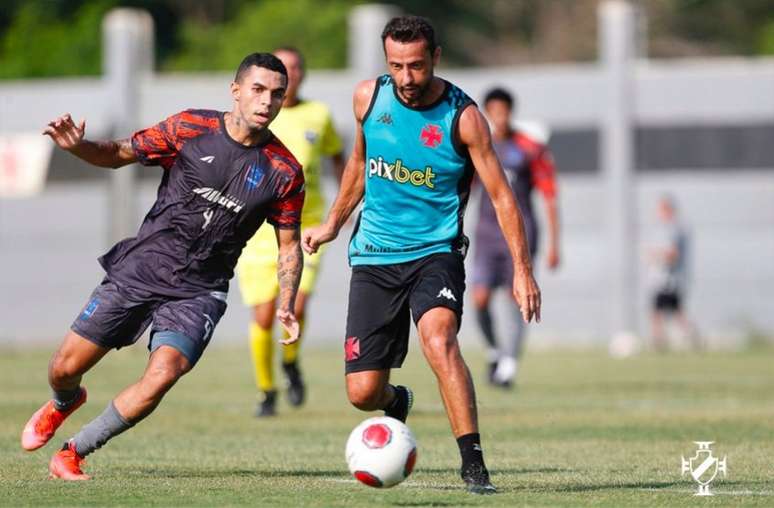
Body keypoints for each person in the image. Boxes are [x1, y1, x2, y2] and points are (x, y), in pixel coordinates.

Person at [21, 53, 305, 480]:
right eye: (258, 89)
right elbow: (118, 153)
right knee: (63, 368)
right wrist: (78, 147)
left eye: (277, 94)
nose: (267, 101)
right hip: (141, 269)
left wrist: (287, 300)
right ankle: (64, 402)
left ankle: (73, 452)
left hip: (200, 291)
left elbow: (288, 247)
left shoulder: (284, 171)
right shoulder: (190, 127)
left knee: (163, 373)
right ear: (236, 90)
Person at [302, 16, 541, 494]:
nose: (407, 78)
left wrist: (523, 270)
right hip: (373, 254)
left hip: (436, 251)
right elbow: (357, 165)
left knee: (440, 341)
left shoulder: (465, 117)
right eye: (397, 66)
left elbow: (501, 195)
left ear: (436, 57)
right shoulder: (368, 98)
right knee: (362, 393)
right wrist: (332, 222)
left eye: (416, 65)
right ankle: (397, 398)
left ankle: (474, 464)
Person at [236, 47, 345, 417]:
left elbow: (339, 159)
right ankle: (266, 390)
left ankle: (291, 361)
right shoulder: (257, 112)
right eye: (285, 67)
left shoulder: (320, 115)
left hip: (305, 226)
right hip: (257, 231)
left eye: (297, 67)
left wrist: (342, 204)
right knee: (264, 316)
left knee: (297, 304)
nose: (292, 73)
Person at [472, 87, 560, 388]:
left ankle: (508, 364)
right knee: (479, 297)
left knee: (516, 298)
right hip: (485, 234)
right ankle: (494, 350)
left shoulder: (530, 149)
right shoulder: (478, 145)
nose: (499, 117)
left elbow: (549, 196)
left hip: (520, 235)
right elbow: (462, 188)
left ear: (511, 112)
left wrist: (553, 245)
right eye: (493, 111)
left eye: (503, 111)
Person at [649, 195, 698, 351]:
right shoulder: (664, 229)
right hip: (662, 279)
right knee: (666, 312)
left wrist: (655, 255)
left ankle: (660, 343)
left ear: (668, 210)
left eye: (661, 210)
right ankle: (660, 342)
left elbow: (672, 254)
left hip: (669, 280)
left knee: (666, 312)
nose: (659, 213)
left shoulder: (674, 229)